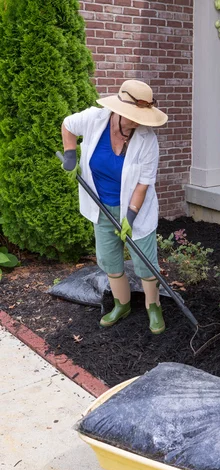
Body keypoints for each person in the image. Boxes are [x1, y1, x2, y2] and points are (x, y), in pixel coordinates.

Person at [61, 79, 168, 334]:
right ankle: (122, 304)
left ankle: (154, 306)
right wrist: (70, 154)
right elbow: (67, 125)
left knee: (145, 262)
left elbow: (143, 184)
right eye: (134, 116)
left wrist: (130, 216)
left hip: (135, 209)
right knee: (109, 260)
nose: (138, 121)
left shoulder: (147, 140)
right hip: (100, 206)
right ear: (120, 110)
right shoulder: (95, 119)